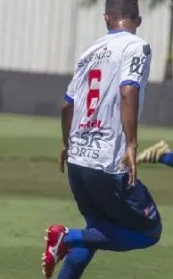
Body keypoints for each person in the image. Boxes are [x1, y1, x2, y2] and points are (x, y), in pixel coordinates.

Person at [42, 0, 162, 278]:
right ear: (139, 20)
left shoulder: (89, 51)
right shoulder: (136, 46)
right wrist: (132, 144)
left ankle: (69, 242)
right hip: (107, 162)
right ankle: (66, 238)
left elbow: (67, 104)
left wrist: (65, 143)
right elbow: (128, 89)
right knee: (150, 232)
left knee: (95, 231)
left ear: (106, 18)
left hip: (78, 160)